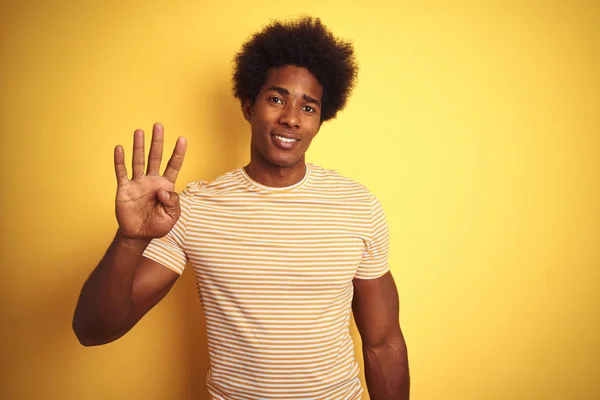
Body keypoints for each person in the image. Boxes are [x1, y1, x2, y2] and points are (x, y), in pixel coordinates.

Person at [73, 16, 409, 400]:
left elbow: (383, 341)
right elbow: (93, 331)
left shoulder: (357, 206)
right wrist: (130, 240)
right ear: (249, 106)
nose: (291, 118)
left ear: (320, 120)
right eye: (277, 98)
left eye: (308, 107)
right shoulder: (192, 210)